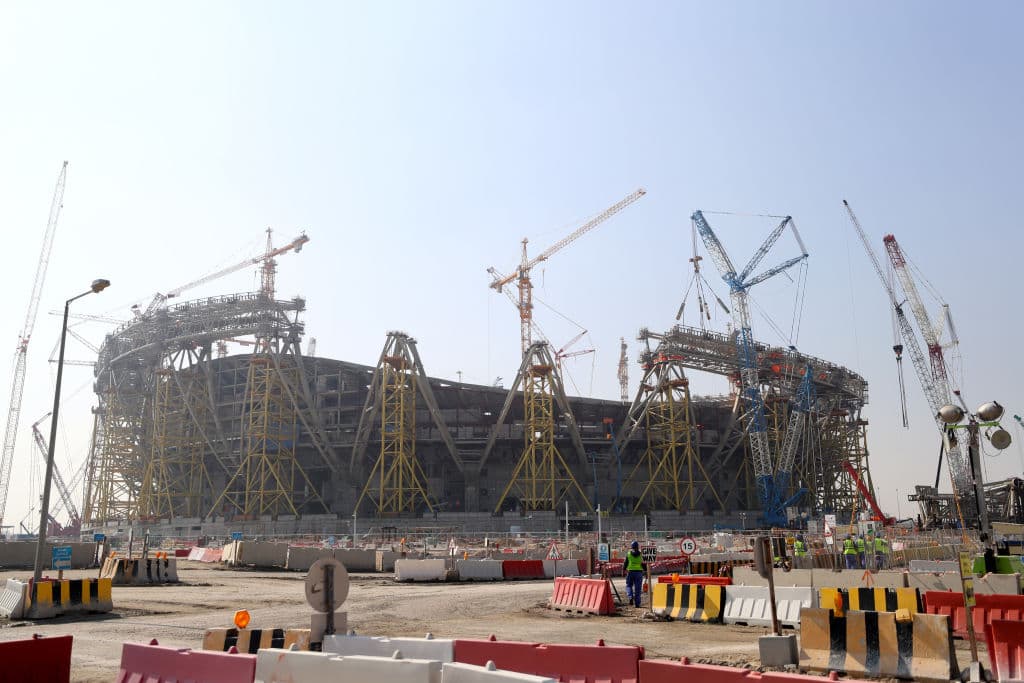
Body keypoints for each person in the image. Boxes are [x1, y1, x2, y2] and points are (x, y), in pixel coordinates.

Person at [623, 540, 647, 608]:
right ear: (638, 547)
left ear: (632, 547)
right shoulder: (641, 555)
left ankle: (630, 596)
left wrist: (623, 570)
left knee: (629, 585)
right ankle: (637, 604)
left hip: (630, 572)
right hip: (639, 573)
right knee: (638, 589)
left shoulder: (628, 554)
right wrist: (646, 572)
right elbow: (643, 565)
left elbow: (625, 563)